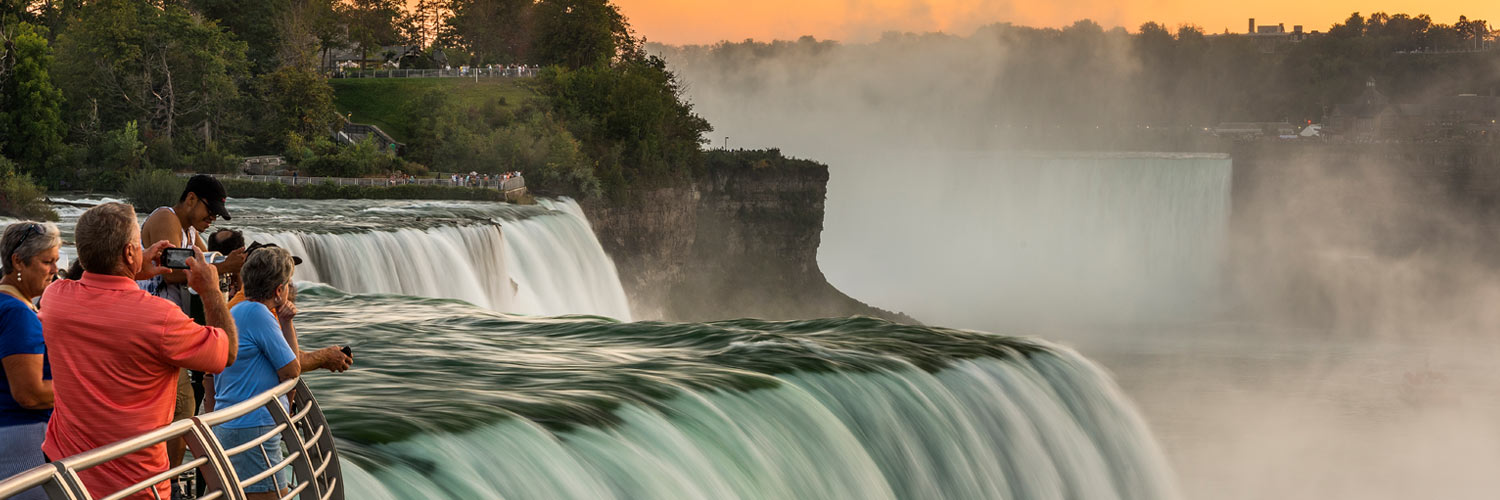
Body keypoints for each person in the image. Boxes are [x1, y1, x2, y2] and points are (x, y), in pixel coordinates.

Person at [39, 202, 237, 500]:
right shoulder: (161, 317)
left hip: (66, 479)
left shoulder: (54, 299)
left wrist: (129, 267)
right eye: (137, 245)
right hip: (136, 485)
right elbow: (227, 352)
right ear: (129, 253)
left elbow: (84, 276)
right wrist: (210, 290)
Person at [214, 247, 350, 500]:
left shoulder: (236, 311)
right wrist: (288, 322)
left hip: (231, 422)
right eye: (287, 284)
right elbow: (292, 368)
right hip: (252, 427)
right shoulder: (258, 315)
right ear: (279, 290)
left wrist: (285, 321)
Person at [138, 175, 245, 485]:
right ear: (190, 199)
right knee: (183, 409)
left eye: (215, 216)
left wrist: (232, 264)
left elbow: (205, 262)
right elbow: (171, 273)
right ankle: (165, 483)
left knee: (179, 410)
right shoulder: (165, 217)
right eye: (208, 212)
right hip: (153, 326)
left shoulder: (187, 230)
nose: (210, 219)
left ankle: (164, 479)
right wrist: (223, 269)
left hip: (170, 328)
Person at [0, 222, 62, 500]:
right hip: (22, 440)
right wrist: (86, 388)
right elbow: (29, 393)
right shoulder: (17, 314)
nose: (55, 270)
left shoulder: (8, 303)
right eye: (47, 262)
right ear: (17, 262)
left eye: (57, 261)